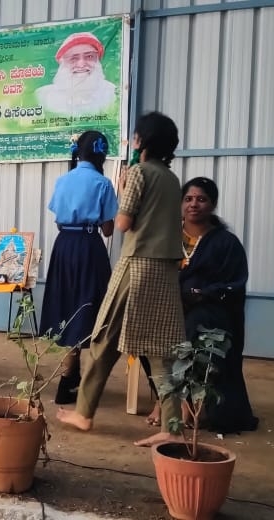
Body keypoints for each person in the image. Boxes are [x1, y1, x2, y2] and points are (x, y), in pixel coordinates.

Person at [56, 112, 186, 448]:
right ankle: (173, 425)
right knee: (160, 350)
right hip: (166, 269)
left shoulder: (139, 174)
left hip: (137, 265)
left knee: (102, 337)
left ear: (141, 141)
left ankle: (84, 411)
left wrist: (125, 186)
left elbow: (124, 223)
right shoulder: (172, 179)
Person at [173, 177, 259, 435]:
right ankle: (166, 403)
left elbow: (235, 284)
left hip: (209, 308)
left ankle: (196, 404)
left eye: (201, 199)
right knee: (144, 330)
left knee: (199, 324)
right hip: (170, 304)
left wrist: (203, 294)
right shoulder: (167, 238)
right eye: (188, 199)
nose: (194, 205)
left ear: (212, 204)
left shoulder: (225, 243)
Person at [43, 130, 119, 405]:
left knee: (68, 304)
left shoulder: (63, 180)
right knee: (91, 305)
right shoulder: (103, 183)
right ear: (101, 154)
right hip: (89, 246)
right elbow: (109, 230)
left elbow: (57, 217)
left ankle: (68, 377)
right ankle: (76, 381)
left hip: (64, 246)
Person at [35, 32, 117, 116]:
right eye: (73, 58)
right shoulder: (43, 96)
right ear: (62, 64)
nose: (81, 65)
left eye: (89, 57)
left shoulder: (112, 93)